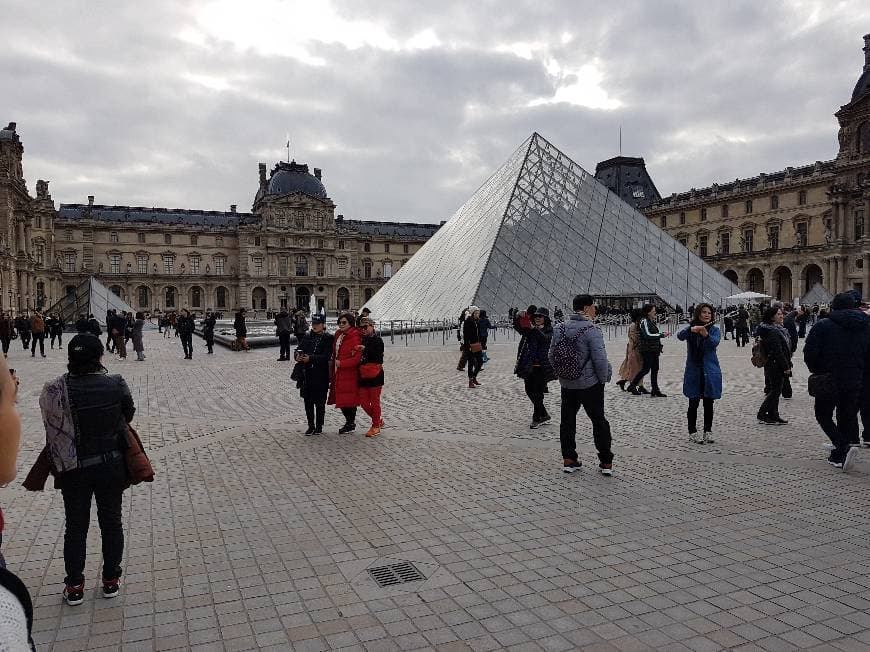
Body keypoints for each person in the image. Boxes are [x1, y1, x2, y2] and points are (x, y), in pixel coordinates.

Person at [38, 334, 135, 605]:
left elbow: (50, 423)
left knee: (76, 527)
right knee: (112, 523)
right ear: (99, 356)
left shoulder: (54, 388)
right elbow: (128, 414)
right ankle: (111, 580)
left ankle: (75, 586)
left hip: (73, 468)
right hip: (110, 465)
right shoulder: (115, 383)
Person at [549, 294, 614, 475]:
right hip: (590, 385)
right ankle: (606, 461)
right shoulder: (592, 329)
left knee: (567, 421)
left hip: (568, 384)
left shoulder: (559, 328)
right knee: (598, 421)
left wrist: (562, 374)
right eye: (593, 306)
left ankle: (569, 459)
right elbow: (600, 360)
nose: (595, 309)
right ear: (586, 308)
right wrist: (603, 379)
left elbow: (551, 355)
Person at [804, 292, 870, 469]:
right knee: (846, 415)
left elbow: (810, 354)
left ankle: (842, 447)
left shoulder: (823, 325)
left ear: (834, 306)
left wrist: (818, 370)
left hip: (829, 378)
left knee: (823, 414)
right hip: (855, 378)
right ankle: (841, 451)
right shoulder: (865, 325)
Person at [677, 303, 722, 444]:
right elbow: (680, 336)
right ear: (698, 313)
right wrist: (692, 329)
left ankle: (707, 431)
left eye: (709, 313)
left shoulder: (714, 330)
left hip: (709, 370)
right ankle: (692, 431)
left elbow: (714, 343)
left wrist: (706, 334)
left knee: (709, 403)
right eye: (704, 312)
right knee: (693, 402)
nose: (707, 315)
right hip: (694, 371)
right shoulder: (693, 328)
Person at [515, 307, 555, 428]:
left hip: (542, 366)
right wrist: (517, 316)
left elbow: (544, 338)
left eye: (540, 316)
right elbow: (518, 327)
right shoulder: (529, 330)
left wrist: (534, 329)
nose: (537, 318)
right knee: (529, 390)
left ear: (546, 319)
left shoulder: (549, 330)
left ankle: (536, 418)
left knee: (538, 393)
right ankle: (544, 414)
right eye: (536, 316)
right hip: (529, 365)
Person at [295, 315, 333, 435]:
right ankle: (310, 425)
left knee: (320, 402)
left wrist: (310, 358)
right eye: (313, 323)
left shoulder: (328, 338)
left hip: (321, 374)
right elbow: (298, 349)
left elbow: (326, 356)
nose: (315, 325)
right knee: (308, 402)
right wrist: (297, 355)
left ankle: (319, 426)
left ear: (323, 324)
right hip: (307, 374)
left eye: (318, 323)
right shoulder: (307, 336)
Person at [755, 306, 792, 426]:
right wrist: (786, 366)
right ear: (771, 317)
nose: (781, 316)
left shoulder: (775, 329)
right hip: (775, 364)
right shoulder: (773, 331)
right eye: (778, 314)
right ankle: (762, 414)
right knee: (775, 391)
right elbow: (778, 351)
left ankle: (773, 414)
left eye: (782, 314)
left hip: (774, 363)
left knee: (776, 389)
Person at [627, 304, 669, 397]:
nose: (655, 312)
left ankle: (655, 389)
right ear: (648, 312)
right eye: (654, 311)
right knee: (646, 369)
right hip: (647, 349)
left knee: (655, 368)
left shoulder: (649, 320)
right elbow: (647, 335)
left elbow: (651, 333)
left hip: (653, 349)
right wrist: (661, 335)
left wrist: (660, 334)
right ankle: (632, 385)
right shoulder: (644, 321)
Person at [330, 312, 362, 433]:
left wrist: (342, 363)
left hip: (350, 372)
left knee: (349, 398)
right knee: (341, 397)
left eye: (344, 322)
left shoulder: (355, 336)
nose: (341, 324)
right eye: (339, 322)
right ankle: (349, 422)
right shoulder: (338, 334)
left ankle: (350, 422)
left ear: (350, 323)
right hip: (338, 370)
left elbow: (357, 357)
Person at [357, 317, 385, 437]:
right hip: (363, 373)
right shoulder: (362, 339)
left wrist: (365, 349)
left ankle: (375, 426)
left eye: (365, 327)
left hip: (375, 374)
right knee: (363, 402)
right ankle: (378, 420)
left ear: (372, 327)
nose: (363, 329)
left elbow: (379, 357)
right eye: (361, 327)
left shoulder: (378, 340)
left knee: (374, 402)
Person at [616, 309, 647, 393]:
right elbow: (635, 338)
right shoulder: (633, 325)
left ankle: (632, 384)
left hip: (635, 348)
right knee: (636, 367)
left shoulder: (636, 324)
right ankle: (634, 385)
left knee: (637, 367)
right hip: (634, 348)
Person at [462, 307, 484, 388]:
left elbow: (479, 334)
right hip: (470, 346)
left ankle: (474, 377)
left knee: (480, 362)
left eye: (478, 313)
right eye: (476, 313)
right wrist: (468, 346)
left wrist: (481, 343)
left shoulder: (477, 321)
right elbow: (466, 335)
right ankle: (470, 381)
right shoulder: (468, 322)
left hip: (477, 345)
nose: (477, 315)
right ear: (472, 313)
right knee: (471, 364)